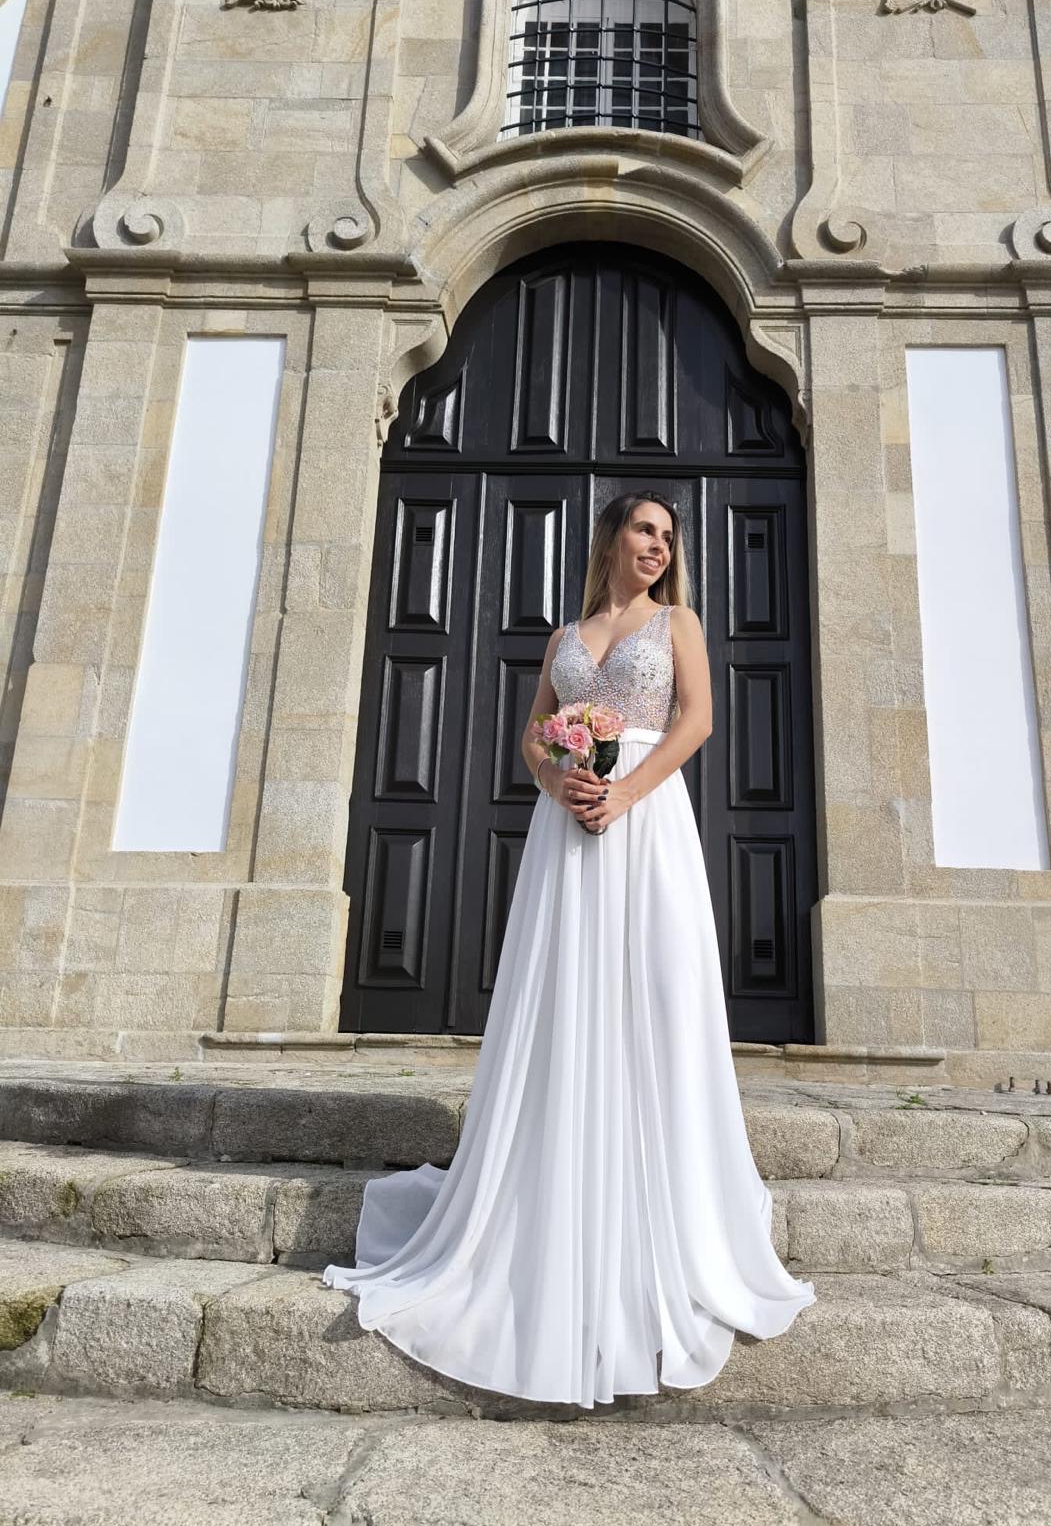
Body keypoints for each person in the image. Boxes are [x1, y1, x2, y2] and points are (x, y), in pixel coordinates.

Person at [322, 490, 816, 1407]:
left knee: (653, 997)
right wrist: (557, 780)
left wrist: (623, 796)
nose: (660, 546)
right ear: (611, 538)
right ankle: (551, 1180)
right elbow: (530, 732)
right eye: (645, 530)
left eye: (669, 536)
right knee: (567, 996)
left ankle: (655, 1193)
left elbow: (697, 722)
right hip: (568, 826)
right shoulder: (564, 636)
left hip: (644, 819)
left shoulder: (679, 623)